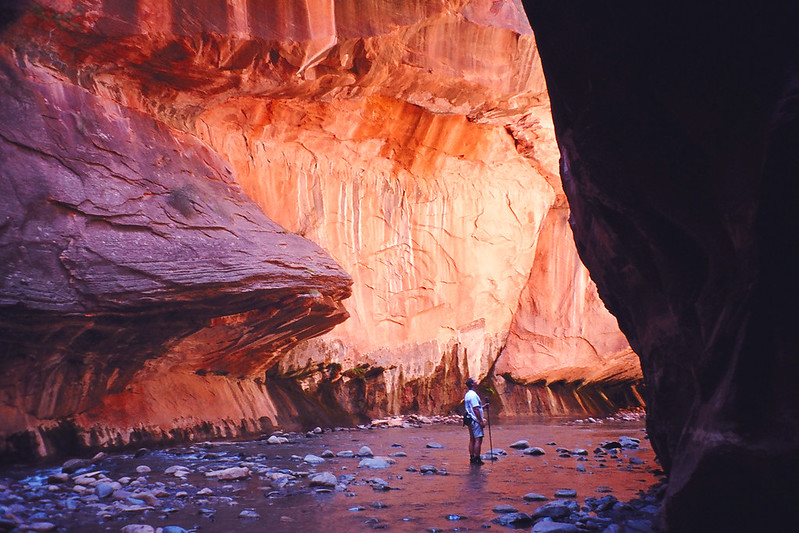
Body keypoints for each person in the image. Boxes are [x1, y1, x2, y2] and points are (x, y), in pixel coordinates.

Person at [464, 377, 486, 465]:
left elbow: (473, 408)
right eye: (475, 381)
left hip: (470, 419)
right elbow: (475, 409)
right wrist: (480, 421)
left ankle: (472, 457)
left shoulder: (468, 394)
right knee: (478, 439)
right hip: (475, 420)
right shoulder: (473, 395)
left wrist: (483, 407)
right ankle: (477, 458)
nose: (477, 381)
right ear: (472, 384)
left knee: (472, 439)